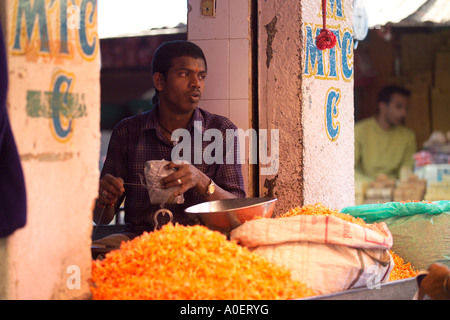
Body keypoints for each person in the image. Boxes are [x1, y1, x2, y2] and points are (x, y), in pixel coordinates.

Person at [92, 41, 246, 249]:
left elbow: (237, 212)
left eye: (201, 76)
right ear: (160, 81)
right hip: (139, 242)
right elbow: (101, 218)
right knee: (88, 257)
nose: (196, 83)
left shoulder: (221, 130)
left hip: (200, 243)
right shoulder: (127, 132)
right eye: (184, 74)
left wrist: (202, 181)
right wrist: (105, 197)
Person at [354, 85, 417, 181]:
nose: (404, 113)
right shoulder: (359, 131)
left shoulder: (408, 136)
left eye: (406, 108)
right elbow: (348, 169)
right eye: (398, 107)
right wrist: (372, 185)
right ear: (382, 106)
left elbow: (407, 171)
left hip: (394, 188)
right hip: (364, 188)